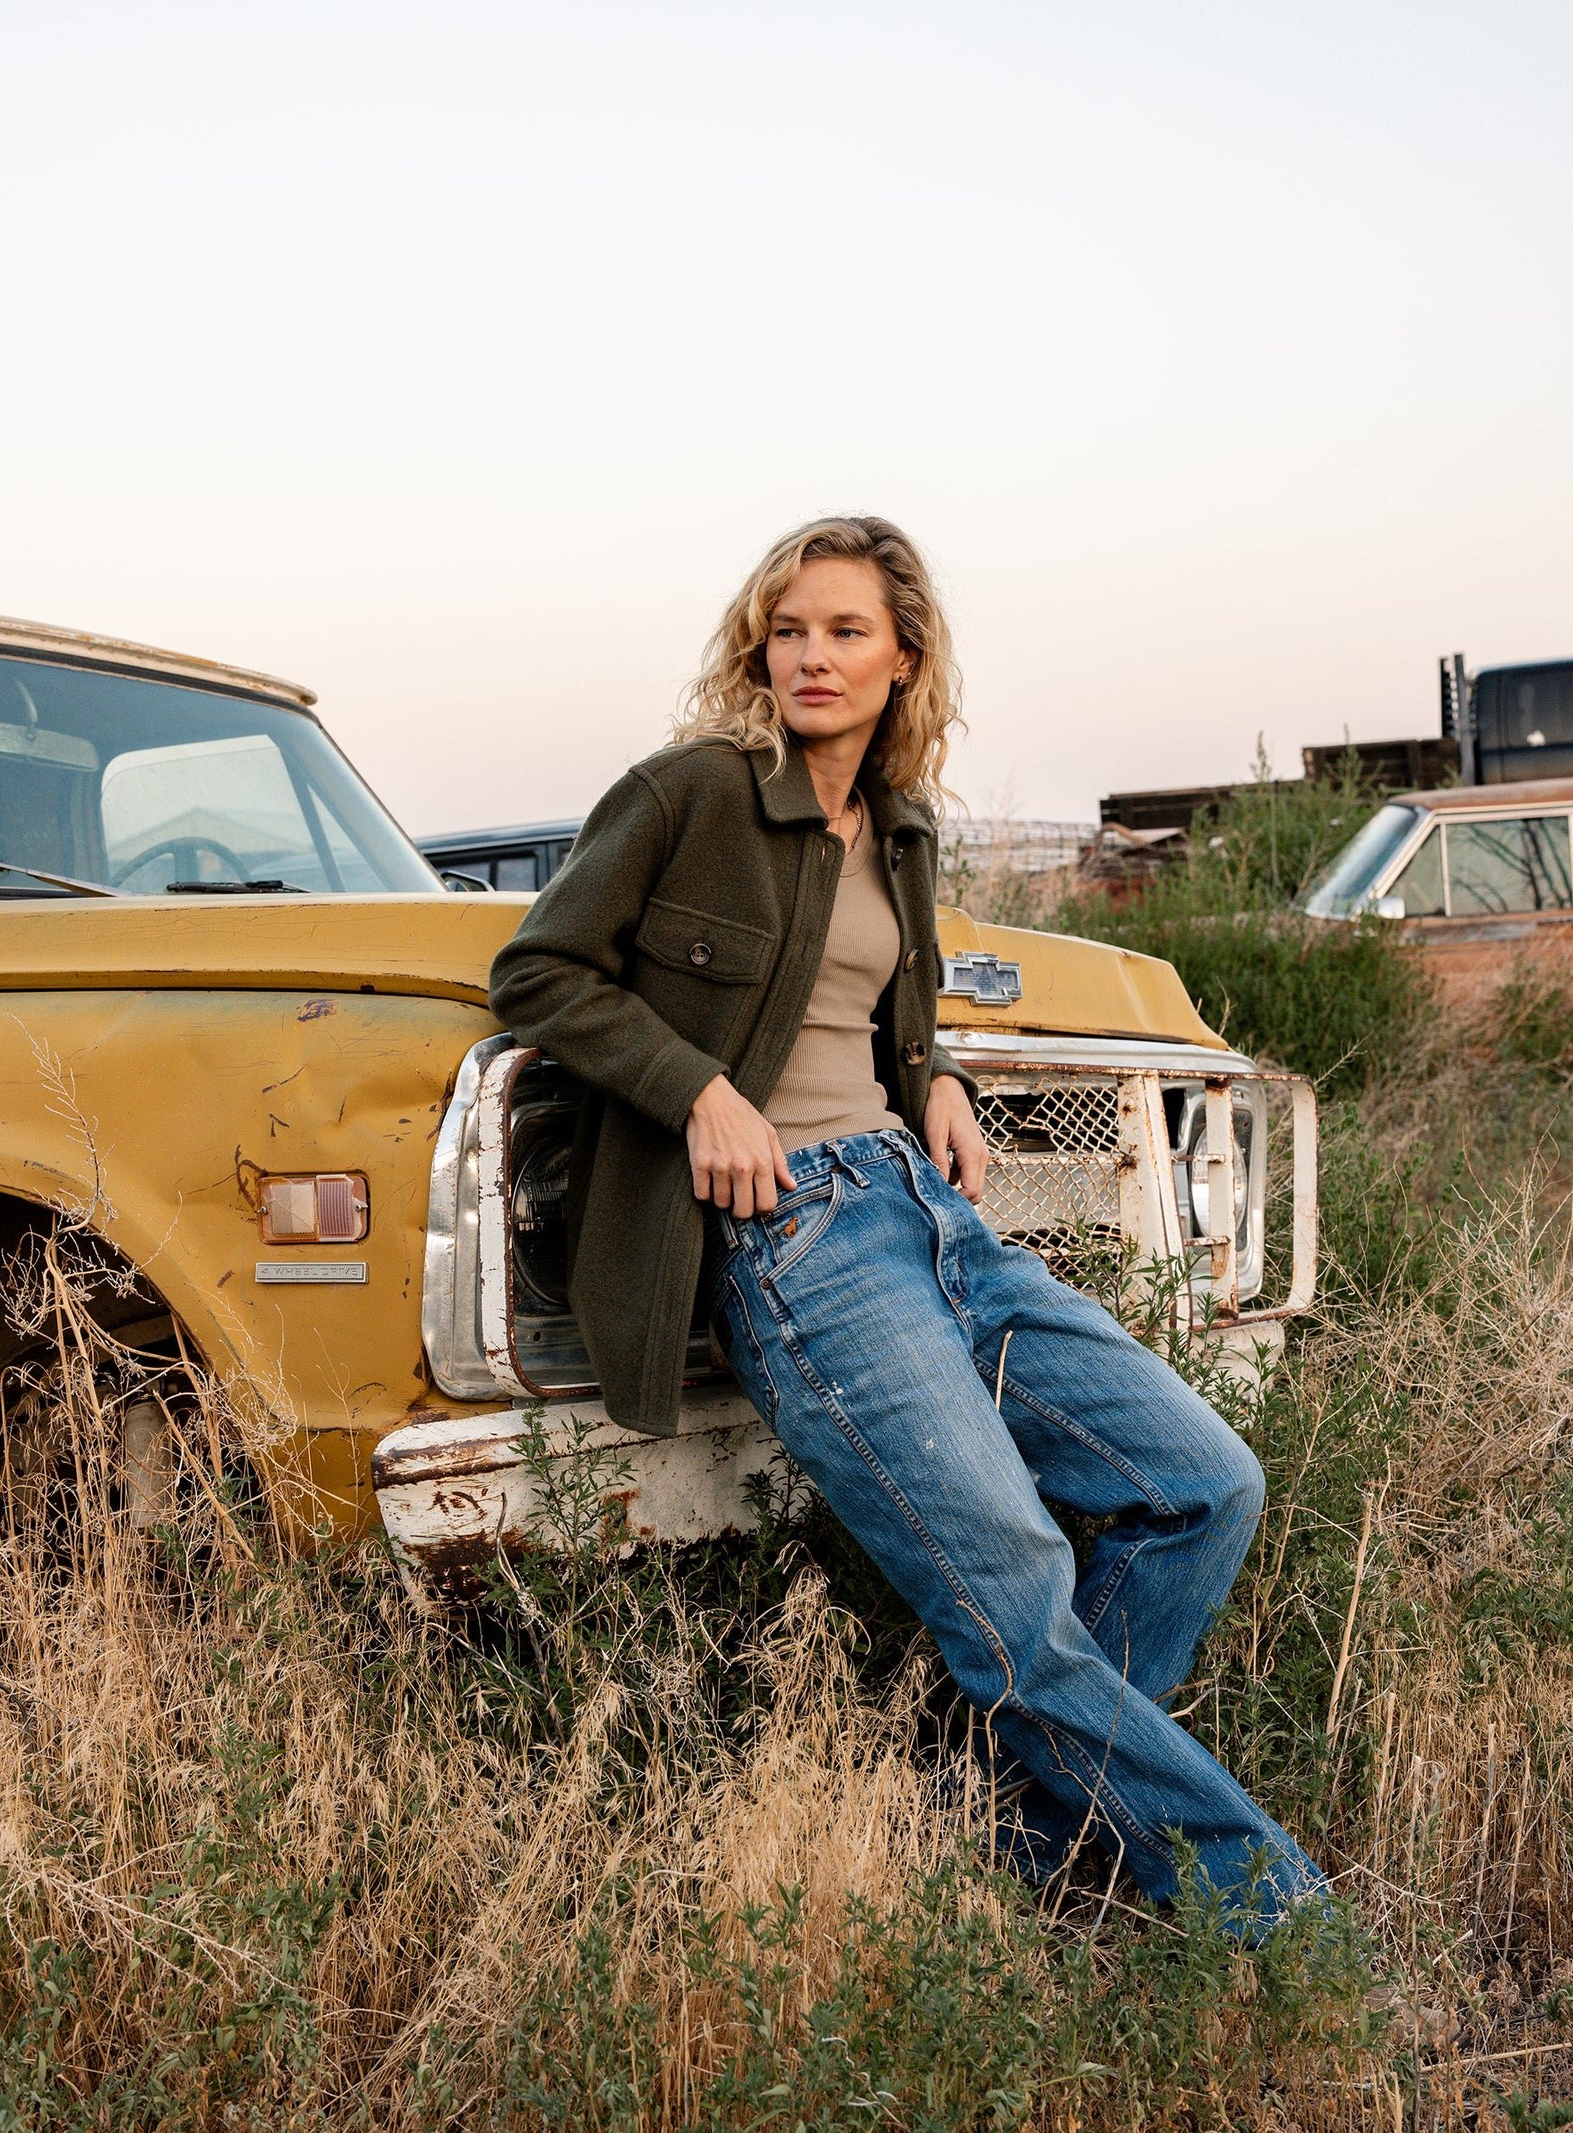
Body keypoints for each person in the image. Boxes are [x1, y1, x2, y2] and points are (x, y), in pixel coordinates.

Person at [488, 515, 1325, 1930]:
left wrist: (930, 1075)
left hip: (927, 1214)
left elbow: (884, 1007)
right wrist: (694, 1089)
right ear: (760, 642)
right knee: (1017, 1583)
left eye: (846, 631)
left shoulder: (907, 822)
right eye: (790, 627)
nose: (811, 656)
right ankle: (1277, 1913)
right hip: (797, 1240)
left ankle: (1007, 1834)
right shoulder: (689, 792)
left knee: (1202, 1485)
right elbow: (539, 974)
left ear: (904, 657)